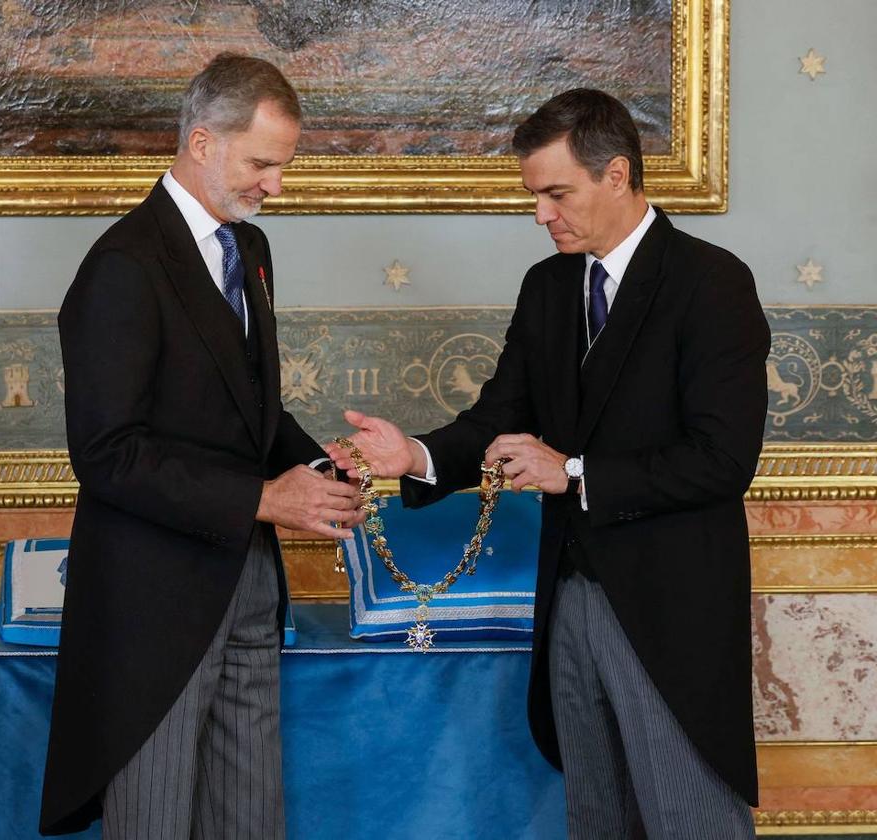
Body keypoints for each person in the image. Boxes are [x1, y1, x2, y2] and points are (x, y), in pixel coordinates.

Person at [328, 89, 770, 838]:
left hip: (671, 609)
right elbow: (498, 421)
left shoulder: (711, 282)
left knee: (688, 820)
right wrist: (415, 455)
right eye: (535, 195)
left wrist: (572, 473)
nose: (542, 215)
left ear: (619, 175)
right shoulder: (549, 286)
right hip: (568, 595)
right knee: (597, 817)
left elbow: (723, 460)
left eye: (557, 193)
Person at [39, 53, 363, 839]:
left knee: (252, 824)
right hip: (154, 611)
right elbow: (108, 454)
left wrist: (323, 466)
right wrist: (264, 499)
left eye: (281, 168)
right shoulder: (123, 266)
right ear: (201, 143)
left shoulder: (249, 251)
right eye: (262, 165)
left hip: (248, 583)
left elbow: (251, 410)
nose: (273, 187)